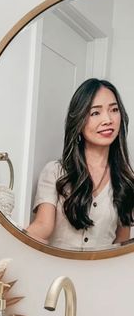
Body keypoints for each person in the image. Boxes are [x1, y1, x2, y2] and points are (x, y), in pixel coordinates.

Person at [26, 78, 134, 250]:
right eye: (95, 113)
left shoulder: (127, 181)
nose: (108, 119)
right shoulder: (55, 172)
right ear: (79, 121)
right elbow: (42, 228)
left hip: (102, 275)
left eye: (114, 110)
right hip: (57, 274)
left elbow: (120, 246)